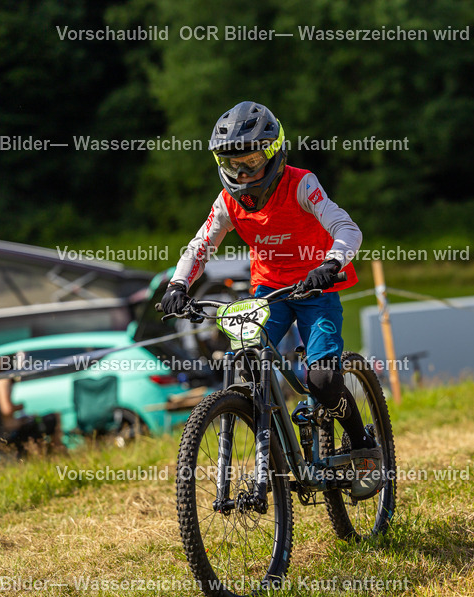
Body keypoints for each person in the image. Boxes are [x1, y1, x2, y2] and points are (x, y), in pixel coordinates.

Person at [161, 101, 381, 468]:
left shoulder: (301, 183)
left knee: (324, 379)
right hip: (269, 292)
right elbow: (201, 245)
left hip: (316, 287)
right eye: (234, 164)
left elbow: (347, 229)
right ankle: (278, 450)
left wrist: (331, 262)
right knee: (243, 361)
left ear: (274, 153)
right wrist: (178, 284)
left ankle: (361, 439)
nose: (244, 173)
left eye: (252, 161)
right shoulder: (228, 202)